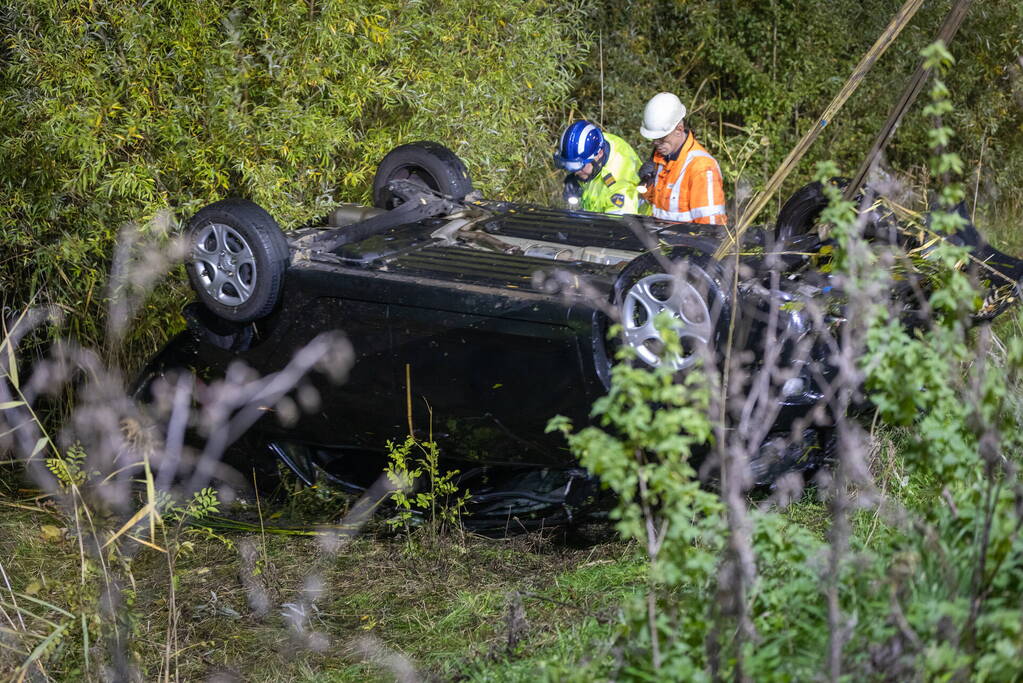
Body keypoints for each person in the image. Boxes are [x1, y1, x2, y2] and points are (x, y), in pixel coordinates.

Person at [638, 92, 726, 225]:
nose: (656, 144)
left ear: (679, 129)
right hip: (661, 242)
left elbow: (711, 229)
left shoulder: (701, 168)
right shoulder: (662, 160)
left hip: (687, 244)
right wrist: (647, 185)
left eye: (661, 138)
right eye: (653, 139)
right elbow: (661, 205)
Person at [553, 120, 644, 215]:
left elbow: (618, 227)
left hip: (643, 225)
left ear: (599, 154)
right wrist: (577, 181)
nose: (576, 172)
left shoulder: (620, 186)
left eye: (580, 166)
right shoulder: (596, 143)